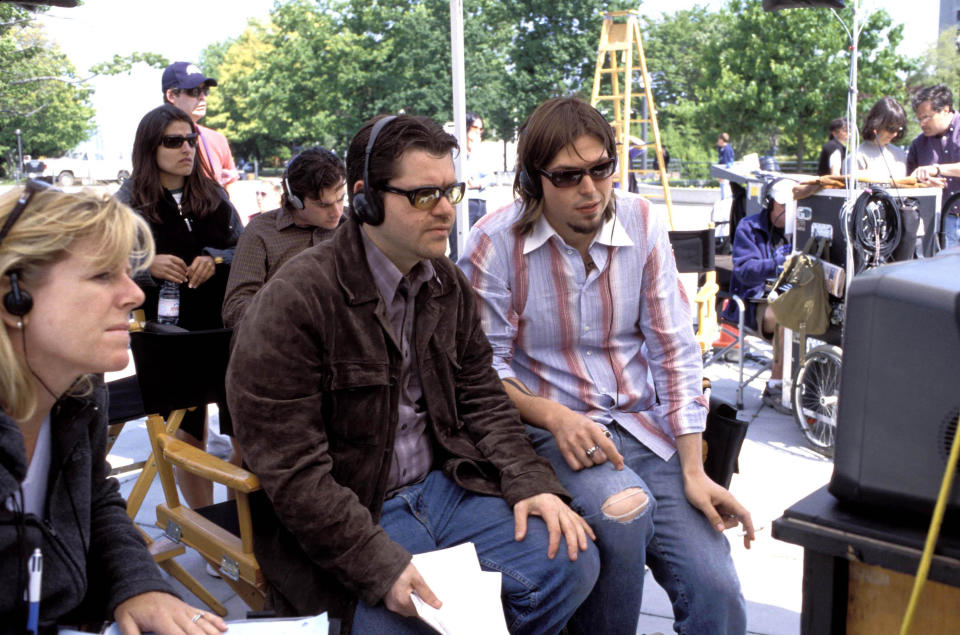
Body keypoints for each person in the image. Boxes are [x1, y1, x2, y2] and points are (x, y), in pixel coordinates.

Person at [226, 114, 599, 634]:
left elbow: (482, 398)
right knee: (412, 625)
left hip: (447, 487)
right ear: (366, 198)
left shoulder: (445, 283)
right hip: (354, 511)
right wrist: (379, 564)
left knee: (570, 561)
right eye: (424, 195)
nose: (447, 209)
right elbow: (293, 472)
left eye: (451, 190)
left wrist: (529, 481)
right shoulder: (295, 300)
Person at [460, 97, 754, 635]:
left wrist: (694, 469)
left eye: (601, 169)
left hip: (647, 432)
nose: (591, 190)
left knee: (720, 595)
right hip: (556, 436)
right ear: (533, 179)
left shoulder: (641, 221)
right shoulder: (493, 244)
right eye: (569, 176)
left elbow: (675, 349)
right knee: (623, 514)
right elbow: (481, 371)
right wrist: (550, 415)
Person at [0, 182, 228, 634]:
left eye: (128, 273)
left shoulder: (79, 387)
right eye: (104, 275)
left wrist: (139, 585)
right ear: (15, 297)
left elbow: (96, 496)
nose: (135, 294)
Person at [118, 104, 242, 512]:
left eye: (191, 139)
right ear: (150, 147)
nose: (186, 149)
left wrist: (217, 258)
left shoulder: (213, 194)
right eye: (174, 141)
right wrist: (146, 264)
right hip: (169, 337)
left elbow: (246, 250)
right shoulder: (128, 202)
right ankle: (206, 523)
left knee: (244, 426)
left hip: (224, 327)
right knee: (190, 432)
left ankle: (240, 523)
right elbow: (98, 262)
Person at [222, 147, 345, 328]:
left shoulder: (356, 225)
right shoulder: (260, 232)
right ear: (296, 200)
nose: (336, 212)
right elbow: (234, 311)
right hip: (287, 345)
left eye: (341, 199)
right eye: (323, 205)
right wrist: (288, 309)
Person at [720, 178, 794, 414]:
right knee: (788, 316)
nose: (789, 212)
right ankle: (774, 386)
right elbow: (744, 271)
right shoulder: (748, 227)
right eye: (784, 206)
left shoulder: (800, 229)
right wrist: (778, 264)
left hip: (788, 297)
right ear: (769, 203)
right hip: (754, 301)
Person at [162, 62, 238, 195]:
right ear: (171, 96)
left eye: (205, 91)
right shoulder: (156, 137)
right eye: (194, 91)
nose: (202, 97)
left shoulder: (217, 139)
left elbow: (232, 192)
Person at [907, 84, 960, 248]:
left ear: (945, 109)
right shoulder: (918, 144)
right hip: (939, 224)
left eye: (927, 117)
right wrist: (922, 184)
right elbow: (908, 183)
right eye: (919, 118)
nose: (922, 124)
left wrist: (937, 169)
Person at [449, 112, 494, 261]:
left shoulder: (481, 151)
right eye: (475, 127)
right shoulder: (455, 149)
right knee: (460, 251)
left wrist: (479, 184)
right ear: (466, 127)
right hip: (462, 202)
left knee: (480, 252)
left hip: (480, 203)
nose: (478, 132)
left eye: (480, 129)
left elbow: (491, 176)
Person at [855, 98, 907, 180]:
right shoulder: (857, 157)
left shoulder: (900, 155)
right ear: (876, 123)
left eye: (899, 129)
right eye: (891, 128)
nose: (895, 133)